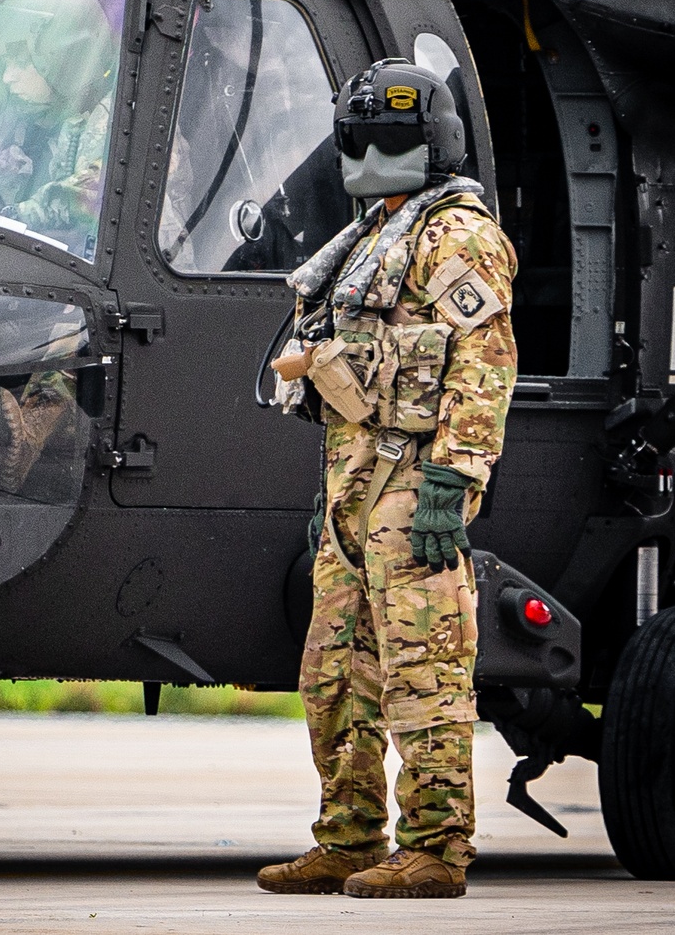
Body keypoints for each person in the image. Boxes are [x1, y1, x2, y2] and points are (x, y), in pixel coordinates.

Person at [260, 59, 517, 900]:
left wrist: (453, 480)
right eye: (362, 134)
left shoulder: (456, 236)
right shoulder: (377, 231)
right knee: (334, 671)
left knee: (424, 667)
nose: (373, 149)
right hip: (354, 478)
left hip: (413, 480)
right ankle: (348, 835)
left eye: (390, 135)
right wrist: (332, 498)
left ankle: (437, 848)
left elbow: (483, 366)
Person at [0, 0, 118, 261]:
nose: (8, 77)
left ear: (66, 61)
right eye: (7, 63)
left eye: (23, 62)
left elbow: (84, 201)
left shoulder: (118, 131)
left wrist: (6, 214)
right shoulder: (25, 115)